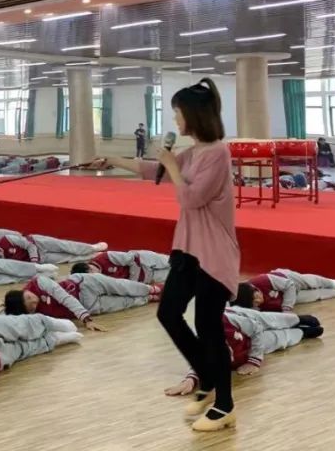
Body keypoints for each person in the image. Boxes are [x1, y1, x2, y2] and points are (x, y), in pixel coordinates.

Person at [92, 78, 239, 432]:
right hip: (188, 250)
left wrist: (172, 165)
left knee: (208, 327)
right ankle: (206, 377)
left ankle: (225, 405)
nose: (175, 120)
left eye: (177, 113)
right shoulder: (193, 153)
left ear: (193, 115)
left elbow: (191, 197)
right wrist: (112, 160)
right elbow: (153, 170)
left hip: (214, 254)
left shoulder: (218, 153)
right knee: (168, 313)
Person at [164, 308, 324, 396]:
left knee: (271, 320)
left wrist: (254, 360)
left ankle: (298, 319)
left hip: (247, 321)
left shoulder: (224, 321)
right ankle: (303, 333)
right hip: (245, 349)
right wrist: (190, 380)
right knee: (277, 340)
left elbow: (256, 328)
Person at [2, 271, 161, 329]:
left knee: (123, 287)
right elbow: (6, 318)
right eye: (32, 306)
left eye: (29, 297)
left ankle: (155, 289)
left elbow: (65, 298)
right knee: (126, 303)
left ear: (23, 291)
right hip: (90, 305)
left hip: (85, 284)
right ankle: (151, 298)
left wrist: (86, 320)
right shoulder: (31, 315)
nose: (34, 301)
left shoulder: (39, 282)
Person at [232, 269, 335, 312]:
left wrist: (286, 308)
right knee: (314, 297)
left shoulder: (262, 280)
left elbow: (289, 285)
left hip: (289, 280)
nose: (258, 300)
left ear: (254, 289)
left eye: (256, 296)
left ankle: (330, 283)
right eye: (255, 302)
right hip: (286, 298)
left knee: (310, 282)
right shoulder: (247, 305)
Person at [75, 251, 171, 284]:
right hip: (146, 277)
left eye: (92, 274)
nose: (95, 277)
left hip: (147, 260)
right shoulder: (97, 280)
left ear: (89, 267)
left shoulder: (106, 257)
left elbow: (133, 258)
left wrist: (133, 283)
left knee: (176, 262)